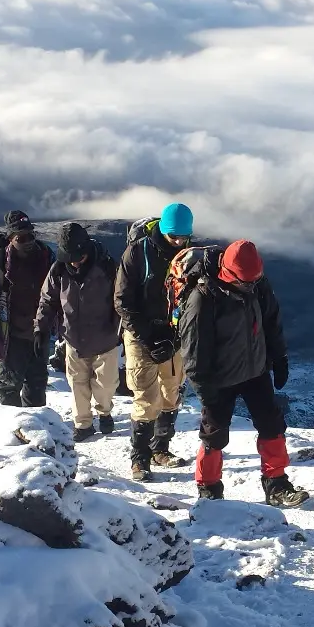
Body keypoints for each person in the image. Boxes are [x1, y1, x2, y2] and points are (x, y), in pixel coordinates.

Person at [176, 240, 309, 508]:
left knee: (272, 424)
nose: (250, 286)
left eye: (254, 280)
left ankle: (277, 484)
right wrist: (205, 390)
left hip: (255, 370)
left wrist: (279, 357)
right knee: (214, 434)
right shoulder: (202, 298)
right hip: (219, 378)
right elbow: (193, 350)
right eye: (245, 282)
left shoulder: (256, 283)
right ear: (228, 272)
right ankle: (209, 487)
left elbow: (271, 321)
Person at [116, 202, 192, 481]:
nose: (179, 242)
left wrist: (177, 335)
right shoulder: (138, 253)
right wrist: (148, 337)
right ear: (163, 230)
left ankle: (161, 449)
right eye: (174, 236)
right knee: (146, 398)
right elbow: (123, 301)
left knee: (171, 392)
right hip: (141, 334)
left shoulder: (189, 255)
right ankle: (140, 458)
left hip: (173, 335)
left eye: (184, 236)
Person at [35, 223, 122, 441]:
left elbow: (121, 299)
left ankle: (104, 411)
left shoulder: (107, 267)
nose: (73, 261)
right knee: (77, 383)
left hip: (105, 337)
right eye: (69, 257)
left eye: (77, 256)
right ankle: (83, 424)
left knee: (106, 384)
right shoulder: (58, 270)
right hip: (73, 337)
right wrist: (41, 329)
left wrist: (122, 328)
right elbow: (47, 301)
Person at [0, 210, 55, 407]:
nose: (27, 241)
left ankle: (36, 430)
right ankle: (12, 431)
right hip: (11, 334)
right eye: (21, 237)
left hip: (39, 332)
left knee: (37, 384)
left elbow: (56, 293)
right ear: (11, 238)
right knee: (10, 385)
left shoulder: (45, 255)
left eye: (30, 235)